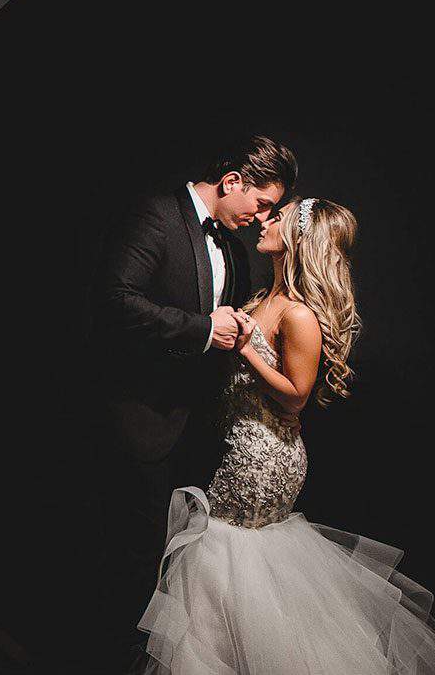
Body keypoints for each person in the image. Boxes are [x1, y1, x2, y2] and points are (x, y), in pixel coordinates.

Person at [135, 198, 435, 673]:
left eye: (277, 216)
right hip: (236, 444)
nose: (264, 220)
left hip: (265, 458)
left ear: (298, 239)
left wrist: (247, 352)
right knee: (223, 565)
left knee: (227, 555)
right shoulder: (262, 297)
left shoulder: (298, 315)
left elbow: (297, 395)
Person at [93, 136, 298, 661]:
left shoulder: (232, 243)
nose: (261, 218)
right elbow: (114, 301)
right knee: (135, 556)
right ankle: (123, 658)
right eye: (262, 204)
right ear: (232, 182)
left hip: (202, 428)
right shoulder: (157, 216)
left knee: (186, 562)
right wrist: (204, 328)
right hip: (143, 417)